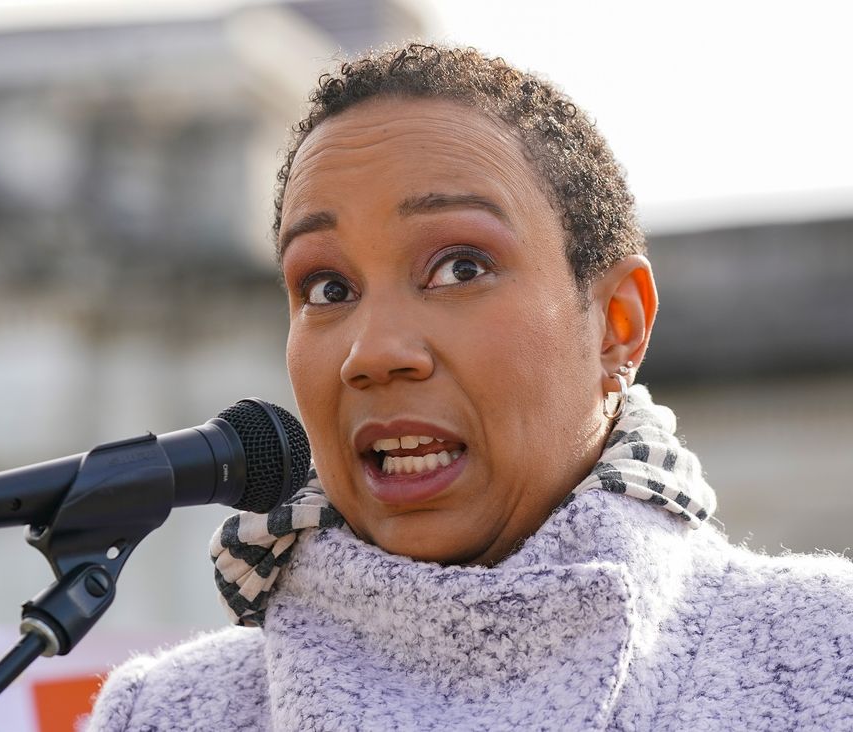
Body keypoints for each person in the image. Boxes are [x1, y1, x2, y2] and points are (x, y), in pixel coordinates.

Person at [87, 44, 853, 730]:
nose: (373, 352)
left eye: (461, 267)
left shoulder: (827, 654)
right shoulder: (164, 715)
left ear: (617, 326)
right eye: (326, 286)